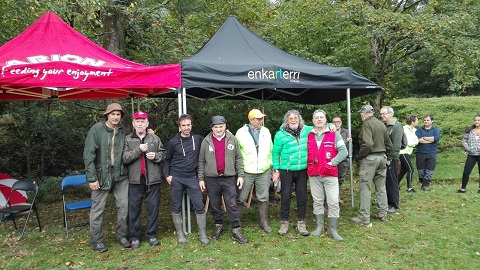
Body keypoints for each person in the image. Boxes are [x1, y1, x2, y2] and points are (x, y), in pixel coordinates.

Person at [83, 103, 131, 253]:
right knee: (98, 209)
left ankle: (122, 236)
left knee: (124, 206)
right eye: (113, 114)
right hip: (101, 174)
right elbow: (88, 155)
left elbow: (133, 142)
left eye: (118, 114)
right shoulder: (96, 130)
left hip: (121, 174)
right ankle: (97, 241)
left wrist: (149, 133)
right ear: (107, 115)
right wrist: (91, 178)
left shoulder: (124, 130)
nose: (116, 117)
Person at [198, 115, 248, 244]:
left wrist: (241, 175)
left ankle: (236, 230)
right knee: (215, 205)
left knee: (231, 204)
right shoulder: (206, 141)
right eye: (216, 127)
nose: (219, 129)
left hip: (229, 177)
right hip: (211, 179)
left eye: (221, 126)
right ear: (212, 128)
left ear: (225, 126)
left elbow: (238, 158)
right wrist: (201, 178)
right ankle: (218, 226)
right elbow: (201, 161)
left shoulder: (232, 139)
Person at [163, 114, 209, 245]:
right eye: (183, 125)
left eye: (188, 125)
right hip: (176, 177)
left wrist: (226, 132)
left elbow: (211, 140)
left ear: (191, 125)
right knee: (176, 206)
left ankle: (202, 233)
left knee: (199, 205)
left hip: (191, 177)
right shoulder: (173, 142)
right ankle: (180, 233)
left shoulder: (198, 139)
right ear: (179, 126)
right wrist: (167, 176)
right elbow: (167, 160)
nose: (186, 128)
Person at [123, 111, 165, 249]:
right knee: (134, 209)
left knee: (153, 209)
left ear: (147, 124)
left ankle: (151, 235)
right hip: (135, 180)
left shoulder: (154, 138)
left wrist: (156, 156)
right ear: (133, 124)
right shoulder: (127, 139)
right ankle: (134, 237)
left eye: (143, 121)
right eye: (138, 121)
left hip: (152, 180)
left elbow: (163, 154)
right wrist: (138, 150)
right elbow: (124, 159)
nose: (140, 123)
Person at [307, 110, 347, 241]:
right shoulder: (308, 134)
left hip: (330, 174)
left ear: (326, 120)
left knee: (333, 202)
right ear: (313, 121)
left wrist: (332, 162)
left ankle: (333, 230)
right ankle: (319, 227)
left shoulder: (334, 134)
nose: (319, 120)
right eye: (316, 118)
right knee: (317, 201)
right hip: (314, 174)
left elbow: (344, 152)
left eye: (321, 117)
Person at [272, 110, 313, 236]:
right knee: (285, 195)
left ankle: (301, 222)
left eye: (296, 118)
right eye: (291, 119)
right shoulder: (280, 134)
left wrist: (330, 125)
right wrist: (276, 170)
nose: (294, 120)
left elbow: (321, 124)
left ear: (299, 119)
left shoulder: (307, 130)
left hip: (302, 169)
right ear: (287, 121)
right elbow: (275, 153)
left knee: (302, 196)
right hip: (286, 170)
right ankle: (284, 222)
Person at [350, 105, 393, 225]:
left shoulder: (367, 124)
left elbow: (368, 144)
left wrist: (361, 155)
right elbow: (389, 144)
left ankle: (364, 216)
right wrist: (386, 155)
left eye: (361, 114)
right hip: (382, 157)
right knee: (381, 186)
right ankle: (383, 213)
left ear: (363, 114)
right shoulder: (381, 124)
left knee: (365, 187)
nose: (361, 116)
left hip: (370, 158)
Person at [235, 109, 273, 233]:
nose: (261, 121)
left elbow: (271, 149)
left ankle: (264, 222)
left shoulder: (266, 131)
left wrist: (271, 165)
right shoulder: (241, 132)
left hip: (264, 170)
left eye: (262, 118)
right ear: (251, 120)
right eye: (258, 119)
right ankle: (236, 223)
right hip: (247, 170)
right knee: (241, 197)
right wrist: (239, 170)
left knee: (264, 197)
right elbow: (236, 153)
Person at [379, 106, 403, 214]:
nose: (382, 116)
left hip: (391, 159)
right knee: (384, 181)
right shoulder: (385, 125)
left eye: (384, 114)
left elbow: (396, 145)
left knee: (392, 181)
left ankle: (393, 204)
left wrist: (390, 158)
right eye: (381, 114)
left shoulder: (396, 126)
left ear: (390, 114)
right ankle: (385, 201)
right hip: (383, 157)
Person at [415, 114, 441, 191]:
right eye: (424, 120)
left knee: (430, 169)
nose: (426, 121)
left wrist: (425, 138)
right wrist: (430, 140)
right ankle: (422, 182)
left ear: (432, 121)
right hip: (420, 152)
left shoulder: (435, 130)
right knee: (421, 170)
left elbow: (436, 139)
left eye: (428, 120)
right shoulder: (419, 130)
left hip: (432, 152)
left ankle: (425, 185)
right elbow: (418, 140)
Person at [458, 114, 480, 193]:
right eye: (475, 120)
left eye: (478, 120)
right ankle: (463, 188)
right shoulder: (469, 130)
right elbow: (464, 141)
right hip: (472, 155)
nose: (477, 122)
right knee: (466, 171)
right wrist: (468, 149)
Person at [332, 116, 351, 204]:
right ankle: (332, 199)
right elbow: (333, 145)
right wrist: (345, 141)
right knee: (332, 180)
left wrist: (349, 158)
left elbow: (350, 146)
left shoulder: (346, 132)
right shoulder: (330, 132)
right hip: (333, 159)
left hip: (343, 160)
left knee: (340, 180)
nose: (336, 123)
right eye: (334, 122)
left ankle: (337, 198)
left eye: (338, 121)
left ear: (341, 122)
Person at [398, 115, 419, 193]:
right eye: (417, 120)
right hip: (403, 152)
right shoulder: (404, 129)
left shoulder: (414, 130)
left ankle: (395, 184)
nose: (418, 122)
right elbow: (409, 142)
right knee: (410, 169)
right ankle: (409, 188)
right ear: (412, 122)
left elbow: (416, 140)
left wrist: (415, 142)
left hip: (408, 152)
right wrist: (415, 142)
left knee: (403, 170)